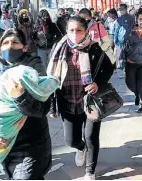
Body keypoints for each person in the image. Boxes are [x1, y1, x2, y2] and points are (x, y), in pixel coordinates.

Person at [0, 28, 52, 180]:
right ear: (0, 47)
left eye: (15, 42)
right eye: (6, 42)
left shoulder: (33, 68)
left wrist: (20, 96)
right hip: (2, 145)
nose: (10, 46)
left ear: (24, 47)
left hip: (31, 146)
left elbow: (42, 108)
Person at [48, 16, 115, 180]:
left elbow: (109, 68)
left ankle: (90, 172)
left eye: (79, 30)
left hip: (91, 101)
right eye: (71, 30)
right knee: (71, 140)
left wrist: (98, 83)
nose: (75, 33)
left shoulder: (94, 48)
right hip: (67, 100)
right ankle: (80, 148)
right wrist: (52, 106)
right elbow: (51, 78)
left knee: (91, 137)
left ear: (86, 31)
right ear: (66, 31)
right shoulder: (59, 48)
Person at [113, 4, 135, 71]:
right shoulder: (118, 19)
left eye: (122, 9)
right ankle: (122, 70)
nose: (121, 10)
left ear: (126, 9)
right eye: (120, 9)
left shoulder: (131, 18)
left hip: (129, 40)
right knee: (121, 55)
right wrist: (115, 39)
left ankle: (128, 69)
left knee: (129, 55)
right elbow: (116, 30)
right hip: (121, 41)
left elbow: (133, 28)